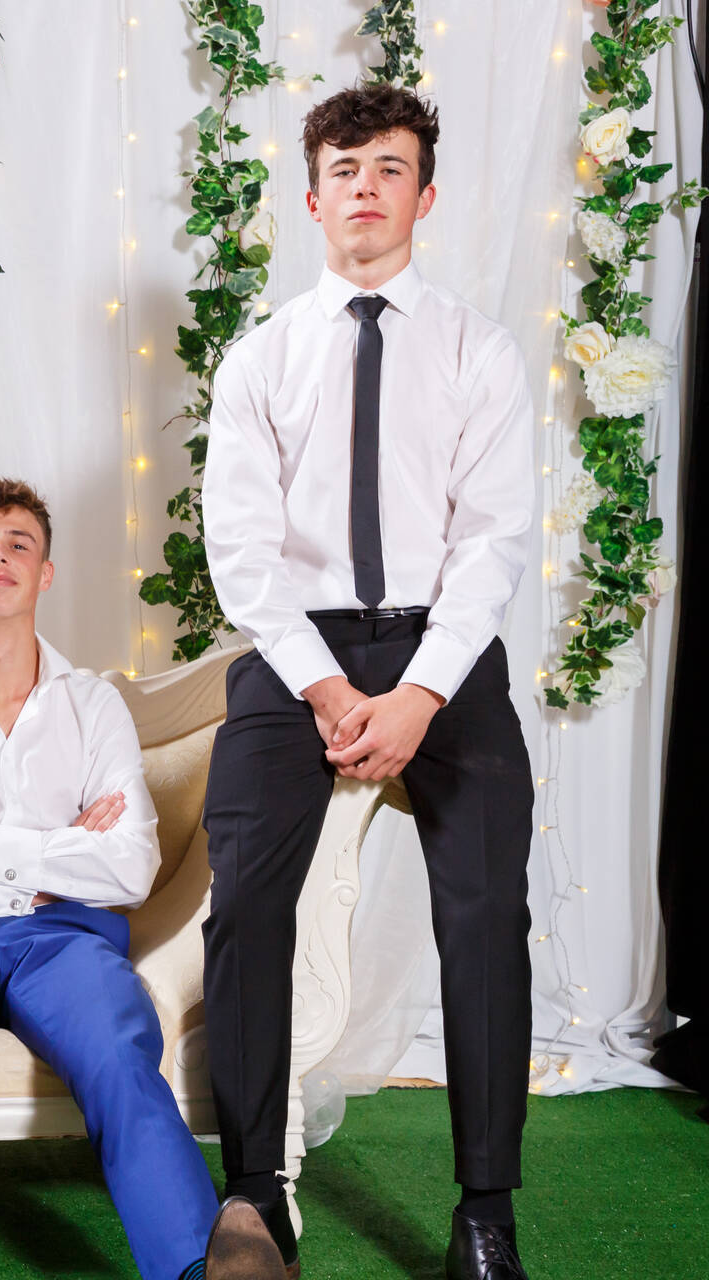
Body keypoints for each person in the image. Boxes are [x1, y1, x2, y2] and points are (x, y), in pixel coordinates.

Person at [199, 84, 536, 1280]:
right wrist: (330, 691)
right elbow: (241, 551)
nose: (366, 189)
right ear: (313, 199)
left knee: (486, 910)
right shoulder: (262, 357)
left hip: (445, 654)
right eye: (344, 170)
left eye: (390, 168)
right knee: (245, 900)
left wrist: (420, 694)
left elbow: (494, 540)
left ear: (423, 196)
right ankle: (255, 1194)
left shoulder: (480, 350)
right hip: (300, 655)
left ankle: (485, 1210)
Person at [0, 478, 284, 1280]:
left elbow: (131, 866)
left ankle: (191, 1268)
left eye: (18, 544)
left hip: (61, 944)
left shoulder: (93, 705)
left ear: (46, 573)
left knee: (118, 1053)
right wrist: (56, 853)